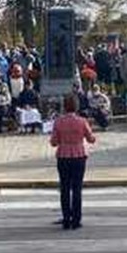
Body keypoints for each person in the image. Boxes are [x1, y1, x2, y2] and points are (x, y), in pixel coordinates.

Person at [49, 94, 96, 230]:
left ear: (64, 107)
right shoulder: (82, 121)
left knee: (64, 188)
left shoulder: (58, 121)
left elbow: (53, 142)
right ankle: (76, 219)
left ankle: (66, 218)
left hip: (63, 155)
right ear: (76, 106)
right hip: (79, 155)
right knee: (77, 189)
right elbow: (91, 138)